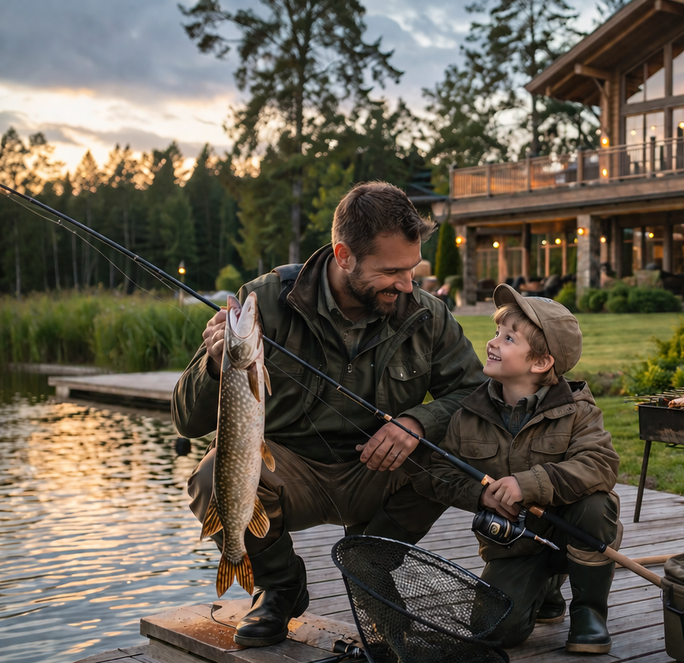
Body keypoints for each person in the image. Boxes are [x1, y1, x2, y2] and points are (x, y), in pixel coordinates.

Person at [172, 182, 487, 647]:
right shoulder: (265, 303)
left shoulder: (426, 314)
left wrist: (418, 423)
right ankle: (279, 586)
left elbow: (475, 395)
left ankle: (370, 571)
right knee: (209, 476)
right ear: (343, 255)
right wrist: (217, 364)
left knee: (458, 450)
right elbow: (186, 421)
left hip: (377, 470)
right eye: (392, 271)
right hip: (288, 474)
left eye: (412, 268)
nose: (407, 284)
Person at [428, 284, 621, 654]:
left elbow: (599, 464)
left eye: (508, 338)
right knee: (496, 633)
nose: (493, 343)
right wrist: (480, 494)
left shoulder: (578, 410)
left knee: (597, 505)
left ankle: (589, 613)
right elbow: (437, 472)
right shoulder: (469, 414)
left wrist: (526, 484)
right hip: (513, 546)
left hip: (571, 530)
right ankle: (545, 590)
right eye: (496, 333)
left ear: (540, 362)